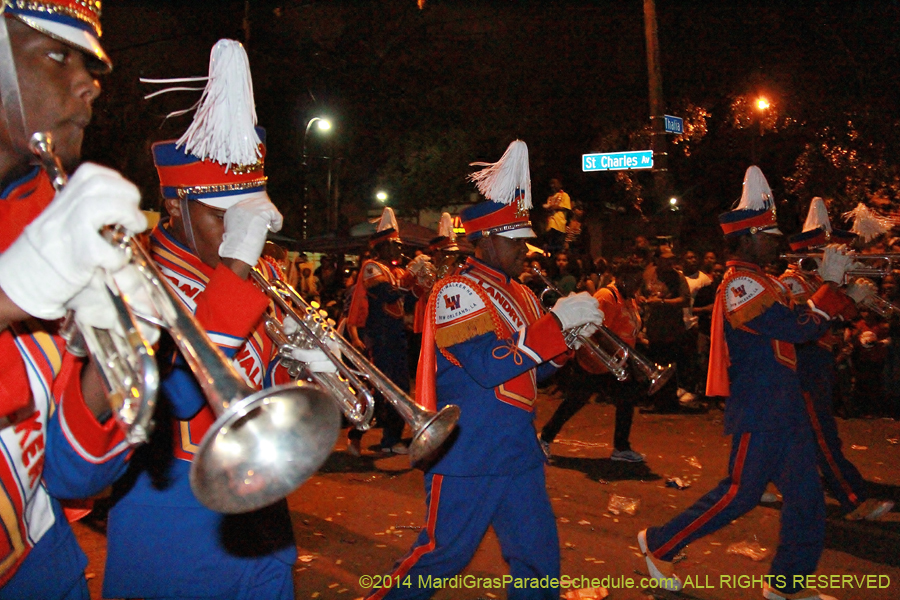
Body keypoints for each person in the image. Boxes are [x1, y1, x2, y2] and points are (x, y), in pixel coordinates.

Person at [101, 39, 306, 600]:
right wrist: (236, 267)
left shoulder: (250, 275)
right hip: (172, 530)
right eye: (225, 217)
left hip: (263, 522)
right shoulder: (130, 279)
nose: (243, 234)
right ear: (175, 206)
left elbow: (264, 395)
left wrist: (302, 365)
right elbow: (178, 399)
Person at [365, 140, 604, 600]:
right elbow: (489, 365)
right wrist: (556, 327)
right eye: (515, 244)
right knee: (439, 558)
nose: (524, 254)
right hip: (468, 451)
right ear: (489, 239)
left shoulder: (525, 294)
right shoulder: (456, 291)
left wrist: (568, 343)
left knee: (539, 562)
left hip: (517, 450)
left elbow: (535, 374)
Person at [638, 166, 859, 600]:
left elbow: (811, 324)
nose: (777, 242)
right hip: (761, 407)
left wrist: (844, 293)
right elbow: (799, 327)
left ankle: (788, 586)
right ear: (747, 239)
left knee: (807, 499)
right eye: (769, 235)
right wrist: (830, 284)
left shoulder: (762, 280)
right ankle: (660, 543)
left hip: (784, 405)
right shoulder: (739, 283)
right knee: (739, 494)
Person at [0, 3, 152, 598]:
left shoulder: (50, 211)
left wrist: (112, 359)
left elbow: (69, 473)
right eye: (57, 54)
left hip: (41, 568)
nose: (88, 83)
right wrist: (11, 293)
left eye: (87, 63)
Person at [539, 262, 647, 463]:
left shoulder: (628, 299)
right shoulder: (607, 297)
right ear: (622, 277)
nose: (638, 285)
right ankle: (545, 437)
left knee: (625, 399)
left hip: (613, 361)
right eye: (635, 281)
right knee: (575, 401)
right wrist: (619, 355)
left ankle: (621, 447)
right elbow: (597, 329)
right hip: (596, 361)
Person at [346, 206, 421, 456]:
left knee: (400, 388)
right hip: (379, 336)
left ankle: (391, 439)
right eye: (394, 244)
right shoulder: (372, 266)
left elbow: (406, 303)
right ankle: (356, 434)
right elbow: (385, 294)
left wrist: (420, 286)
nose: (399, 249)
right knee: (381, 390)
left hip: (397, 336)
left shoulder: (396, 271)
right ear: (382, 246)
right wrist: (410, 278)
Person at [541, 177, 571, 256]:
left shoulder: (564, 195)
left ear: (560, 185)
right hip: (550, 226)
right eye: (551, 184)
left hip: (559, 225)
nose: (552, 186)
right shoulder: (550, 198)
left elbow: (566, 207)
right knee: (550, 248)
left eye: (554, 183)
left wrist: (555, 207)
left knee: (558, 247)